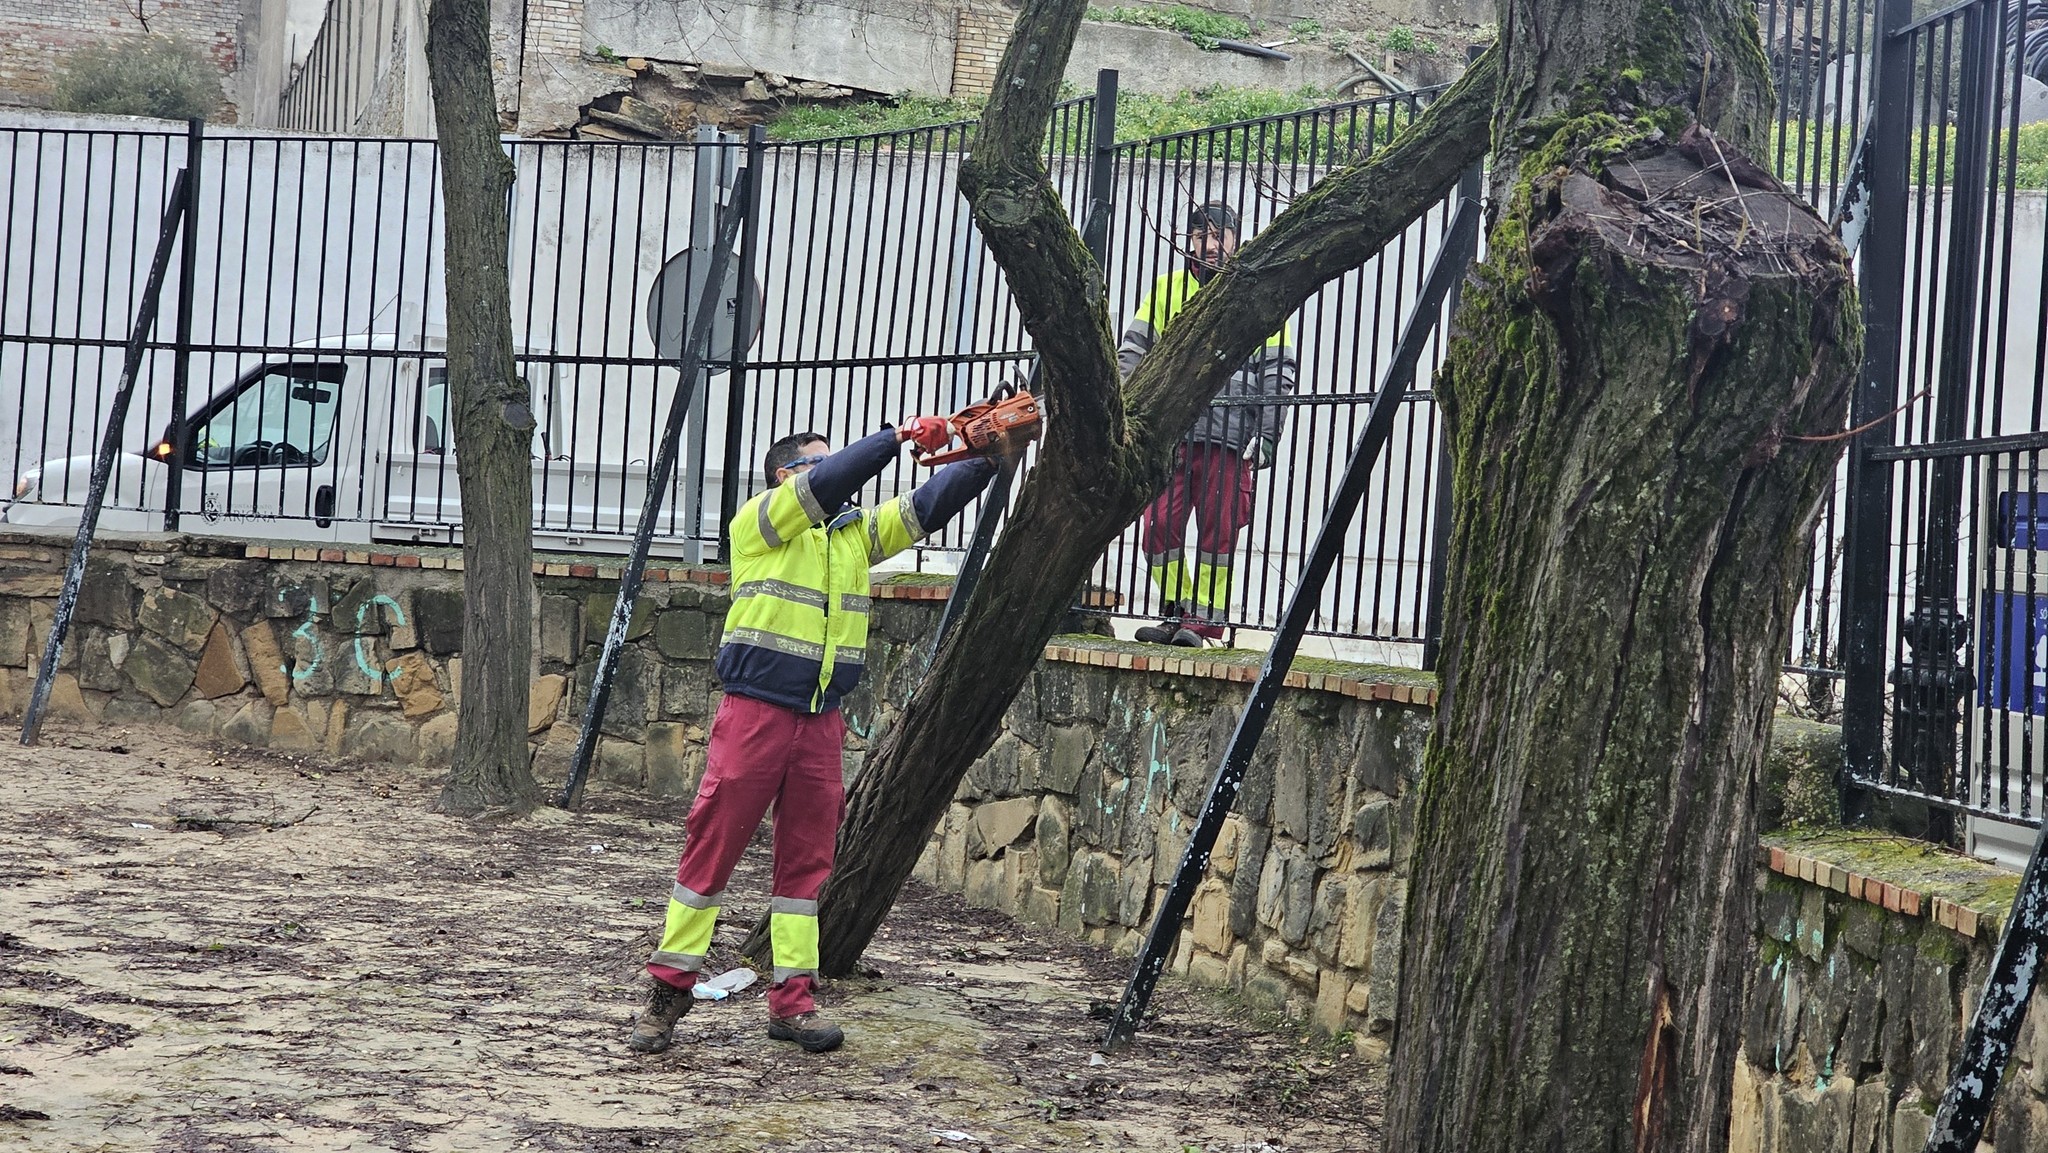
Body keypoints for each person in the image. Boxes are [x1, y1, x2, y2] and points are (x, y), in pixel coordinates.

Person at [628, 418, 996, 1056]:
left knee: (806, 870)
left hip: (822, 719)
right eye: (818, 465)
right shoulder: (762, 521)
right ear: (785, 476)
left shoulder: (850, 535)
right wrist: (897, 439)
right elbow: (836, 478)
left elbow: (926, 508)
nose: (836, 477)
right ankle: (668, 989)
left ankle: (792, 1003)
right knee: (710, 853)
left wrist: (989, 459)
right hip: (755, 715)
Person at [1119, 201, 1297, 647]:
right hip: (1167, 434)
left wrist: (1268, 433)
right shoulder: (1165, 289)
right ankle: (1177, 612)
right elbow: (1132, 356)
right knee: (1158, 526)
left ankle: (1206, 621)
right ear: (1189, 242)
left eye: (1220, 236)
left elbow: (1277, 373)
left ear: (1236, 239)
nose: (1211, 246)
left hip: (1230, 436)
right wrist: (1123, 414)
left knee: (1219, 531)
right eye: (1202, 237)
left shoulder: (1258, 295)